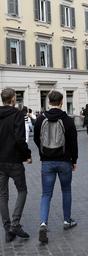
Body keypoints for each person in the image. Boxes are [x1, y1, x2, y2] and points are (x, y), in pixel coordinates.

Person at [34, 90, 78, 243]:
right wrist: (74, 160)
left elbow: (36, 138)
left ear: (48, 102)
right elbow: (73, 142)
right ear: (61, 102)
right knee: (66, 190)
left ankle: (43, 223)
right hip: (65, 161)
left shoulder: (40, 119)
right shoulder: (67, 119)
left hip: (47, 161)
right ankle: (67, 221)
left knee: (46, 194)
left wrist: (43, 153)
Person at [0, 88, 32, 243]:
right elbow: (20, 139)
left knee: (2, 195)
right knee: (22, 190)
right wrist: (27, 155)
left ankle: (8, 229)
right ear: (12, 99)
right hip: (14, 160)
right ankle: (15, 224)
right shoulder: (17, 114)